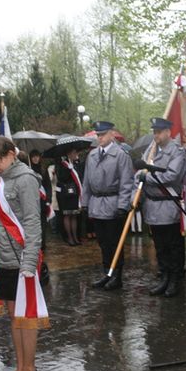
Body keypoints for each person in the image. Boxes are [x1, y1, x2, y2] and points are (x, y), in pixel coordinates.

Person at [0, 136, 45, 371]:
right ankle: (20, 368)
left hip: (22, 259)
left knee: (25, 315)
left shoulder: (26, 179)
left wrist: (29, 262)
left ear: (11, 153)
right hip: (5, 258)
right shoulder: (1, 180)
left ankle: (29, 370)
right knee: (13, 314)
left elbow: (32, 222)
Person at [136, 117, 186, 297]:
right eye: (154, 132)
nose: (155, 135)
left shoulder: (177, 152)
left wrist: (147, 178)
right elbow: (138, 171)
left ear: (168, 132)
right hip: (152, 205)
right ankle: (164, 276)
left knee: (173, 245)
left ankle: (175, 279)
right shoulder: (151, 150)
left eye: (159, 131)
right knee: (160, 246)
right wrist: (142, 175)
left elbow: (171, 176)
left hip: (169, 204)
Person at [82, 121, 133, 291]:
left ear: (112, 134)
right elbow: (87, 182)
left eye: (103, 134)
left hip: (112, 203)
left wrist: (122, 206)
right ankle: (107, 273)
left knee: (114, 242)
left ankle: (117, 275)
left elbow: (126, 182)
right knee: (103, 242)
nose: (100, 138)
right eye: (98, 135)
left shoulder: (121, 155)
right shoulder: (92, 155)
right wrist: (85, 203)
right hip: (97, 203)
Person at [55, 149, 82, 246]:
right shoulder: (62, 164)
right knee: (67, 215)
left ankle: (75, 237)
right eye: (74, 153)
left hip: (74, 194)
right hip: (66, 195)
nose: (76, 154)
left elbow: (80, 175)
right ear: (69, 154)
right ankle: (70, 238)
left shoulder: (76, 163)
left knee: (74, 215)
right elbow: (62, 178)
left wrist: (75, 165)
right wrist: (69, 169)